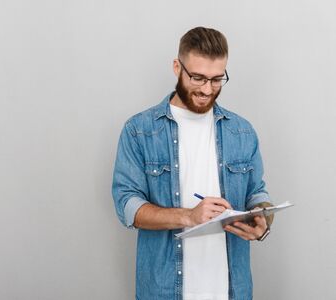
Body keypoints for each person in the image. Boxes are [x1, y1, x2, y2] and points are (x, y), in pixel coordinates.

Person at [111, 27, 274, 300]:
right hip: (163, 290)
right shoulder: (139, 130)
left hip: (232, 289)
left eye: (217, 79)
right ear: (177, 67)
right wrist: (188, 216)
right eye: (197, 77)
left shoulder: (243, 131)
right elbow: (127, 207)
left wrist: (263, 218)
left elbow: (257, 192)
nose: (207, 89)